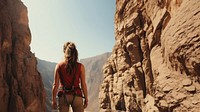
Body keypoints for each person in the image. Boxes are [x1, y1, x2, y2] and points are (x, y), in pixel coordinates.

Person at [52, 42, 88, 112]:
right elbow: (83, 84)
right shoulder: (80, 67)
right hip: (77, 95)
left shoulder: (58, 66)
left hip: (63, 96)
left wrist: (53, 100)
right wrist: (86, 98)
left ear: (64, 52)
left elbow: (55, 85)